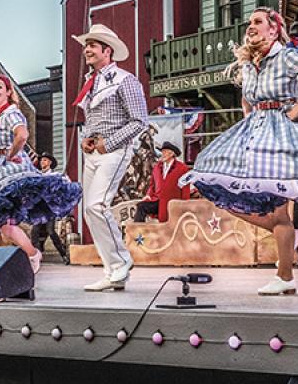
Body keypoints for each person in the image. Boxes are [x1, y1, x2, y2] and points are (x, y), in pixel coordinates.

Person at [180, 7, 298, 296]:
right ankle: (293, 239)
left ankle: (285, 275)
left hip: (281, 132)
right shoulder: (248, 63)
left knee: (278, 210)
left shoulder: (286, 56)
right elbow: (246, 99)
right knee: (217, 186)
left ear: (273, 28)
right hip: (256, 131)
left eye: (257, 22)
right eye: (249, 23)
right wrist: (248, 121)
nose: (251, 27)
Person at [0, 76, 81, 273]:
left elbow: (22, 135)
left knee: (5, 225)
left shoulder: (11, 113)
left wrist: (11, 154)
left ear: (8, 92)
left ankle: (32, 254)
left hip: (8, 170)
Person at [72, 24, 148, 292]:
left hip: (115, 149)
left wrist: (109, 142)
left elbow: (140, 120)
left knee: (96, 205)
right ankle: (113, 270)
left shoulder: (124, 79)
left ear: (108, 50)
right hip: (94, 151)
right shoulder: (90, 81)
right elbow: (92, 119)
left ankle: (121, 262)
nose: (87, 50)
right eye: (86, 45)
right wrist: (87, 138)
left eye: (92, 45)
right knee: (89, 210)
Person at [133, 141, 190, 223]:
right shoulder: (157, 167)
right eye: (162, 152)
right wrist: (148, 195)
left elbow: (185, 188)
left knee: (169, 224)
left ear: (171, 154)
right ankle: (138, 232)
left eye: (165, 152)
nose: (162, 154)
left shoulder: (182, 168)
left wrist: (185, 206)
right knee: (141, 207)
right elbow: (152, 185)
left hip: (172, 203)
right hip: (158, 201)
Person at [29, 154, 70, 264]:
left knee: (51, 232)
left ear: (50, 162)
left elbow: (67, 186)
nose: (42, 162)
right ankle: (38, 256)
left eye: (45, 160)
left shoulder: (56, 175)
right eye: (42, 160)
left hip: (50, 209)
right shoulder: (37, 176)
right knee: (34, 232)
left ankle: (64, 255)